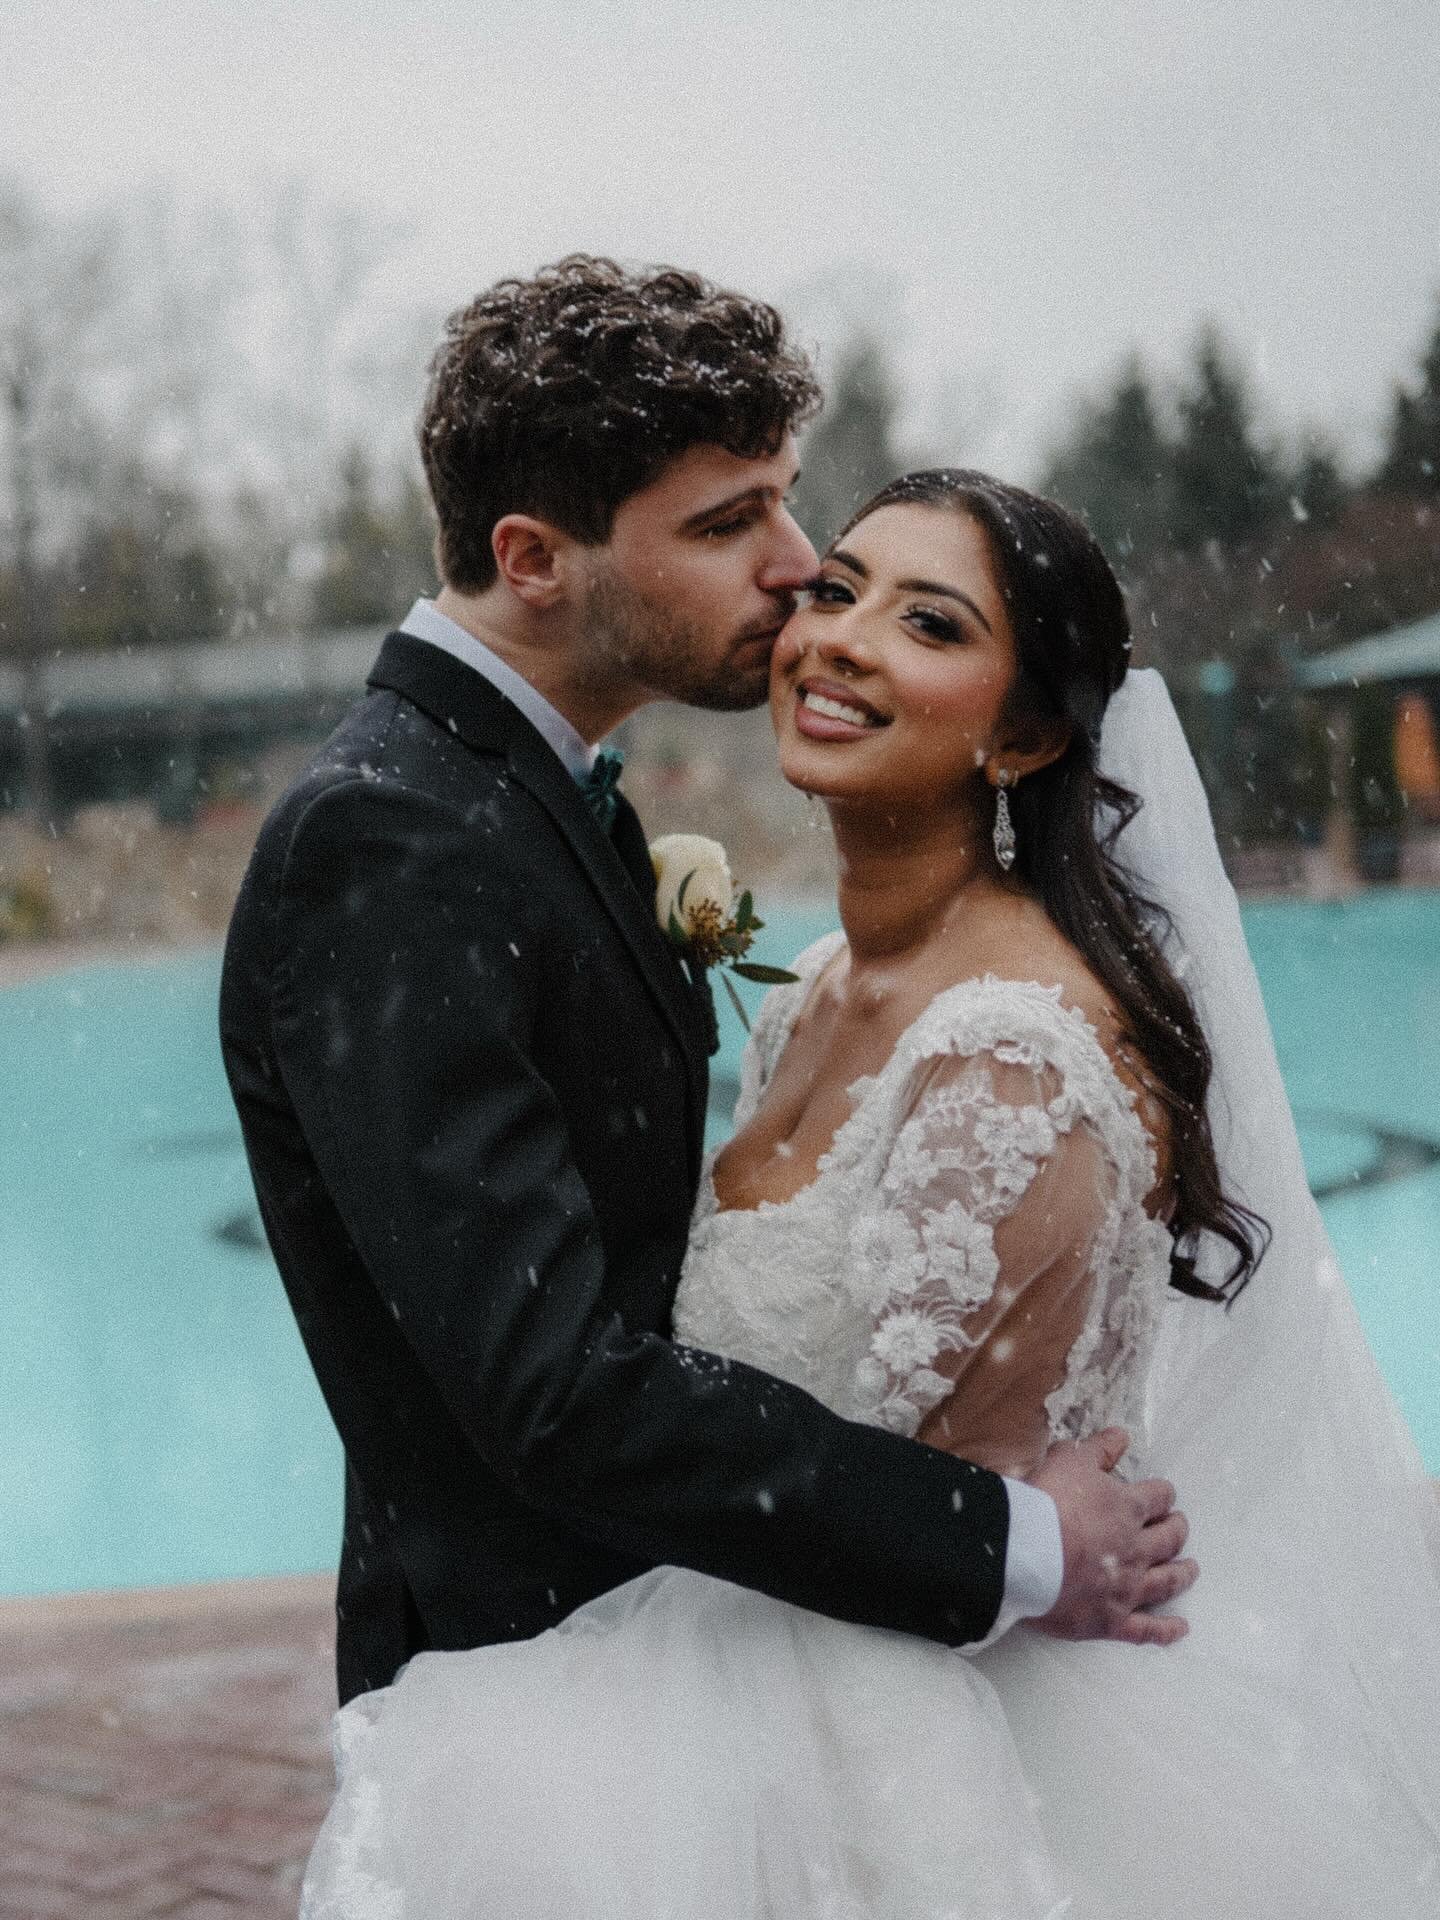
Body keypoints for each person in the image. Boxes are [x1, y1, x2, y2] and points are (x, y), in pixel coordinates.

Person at [297, 470, 1440, 1917]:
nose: (839, 638)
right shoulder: (817, 996)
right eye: (836, 592)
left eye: (929, 622)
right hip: (767, 1667)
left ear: (1023, 733)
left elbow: (921, 1480)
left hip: (895, 1734)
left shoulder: (1008, 1056)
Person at [219, 261, 1188, 1725]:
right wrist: (1014, 1546)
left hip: (701, 1659)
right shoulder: (396, 839)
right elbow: (550, 1387)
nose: (799, 564)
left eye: (788, 499)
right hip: (544, 1683)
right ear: (535, 557)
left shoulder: (535, 801)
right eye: (732, 523)